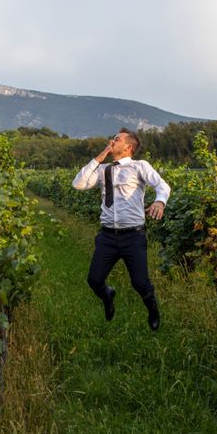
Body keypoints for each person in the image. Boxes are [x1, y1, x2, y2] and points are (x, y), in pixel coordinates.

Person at [72, 128, 170, 330]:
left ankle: (152, 309)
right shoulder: (103, 169)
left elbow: (162, 186)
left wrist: (160, 202)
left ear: (128, 147)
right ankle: (108, 295)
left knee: (140, 283)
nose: (111, 141)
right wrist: (101, 156)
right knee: (94, 280)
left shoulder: (139, 166)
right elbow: (78, 184)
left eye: (116, 139)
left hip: (132, 236)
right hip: (107, 236)